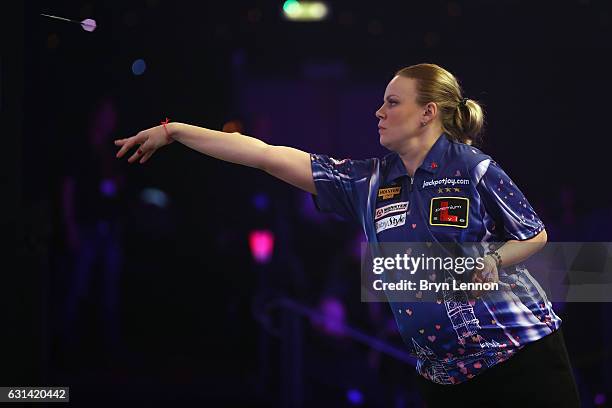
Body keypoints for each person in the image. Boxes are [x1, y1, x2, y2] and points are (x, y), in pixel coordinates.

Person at [114, 63, 580, 407]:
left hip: (521, 361)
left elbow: (534, 233)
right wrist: (174, 131)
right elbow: (262, 154)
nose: (378, 112)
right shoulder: (367, 183)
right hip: (444, 379)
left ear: (427, 113)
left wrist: (495, 261)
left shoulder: (473, 167)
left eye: (393, 102)